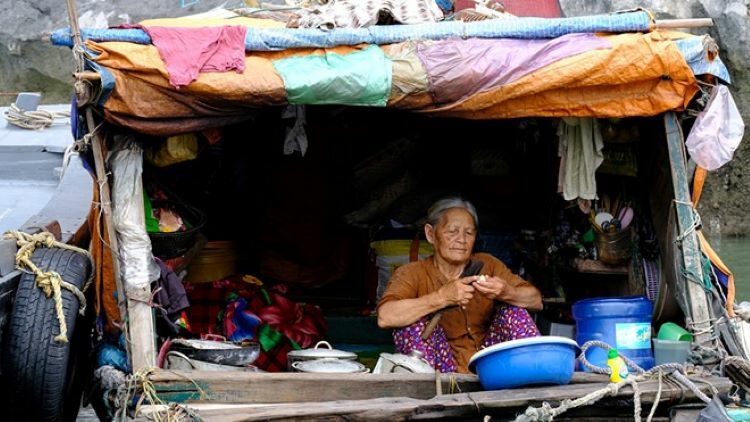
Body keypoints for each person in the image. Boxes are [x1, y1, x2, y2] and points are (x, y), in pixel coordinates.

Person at [377, 197, 542, 373]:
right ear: (431, 234)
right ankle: (428, 391)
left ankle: (532, 378)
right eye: (452, 231)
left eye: (469, 233)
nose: (461, 239)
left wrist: (506, 292)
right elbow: (385, 317)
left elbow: (536, 301)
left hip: (489, 363)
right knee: (411, 322)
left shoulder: (488, 264)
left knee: (514, 310)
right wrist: (441, 298)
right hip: (439, 368)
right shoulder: (411, 272)